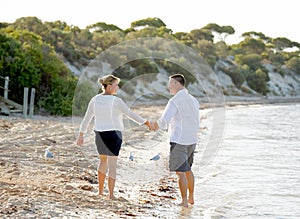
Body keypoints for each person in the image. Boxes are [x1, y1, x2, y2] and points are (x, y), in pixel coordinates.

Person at [76, 74, 152, 200]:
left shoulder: (95, 100)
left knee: (102, 162)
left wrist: (81, 135)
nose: (118, 87)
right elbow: (130, 114)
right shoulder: (116, 101)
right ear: (109, 86)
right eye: (116, 85)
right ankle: (111, 194)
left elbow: (87, 118)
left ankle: (100, 192)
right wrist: (146, 122)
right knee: (112, 166)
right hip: (114, 135)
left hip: (100, 135)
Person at [153, 74, 200, 207]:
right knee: (188, 170)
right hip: (191, 140)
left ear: (177, 84)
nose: (169, 87)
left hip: (179, 140)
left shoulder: (174, 101)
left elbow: (164, 121)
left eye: (170, 84)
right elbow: (196, 120)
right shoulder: (193, 100)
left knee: (180, 172)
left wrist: (153, 125)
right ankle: (191, 197)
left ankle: (184, 201)